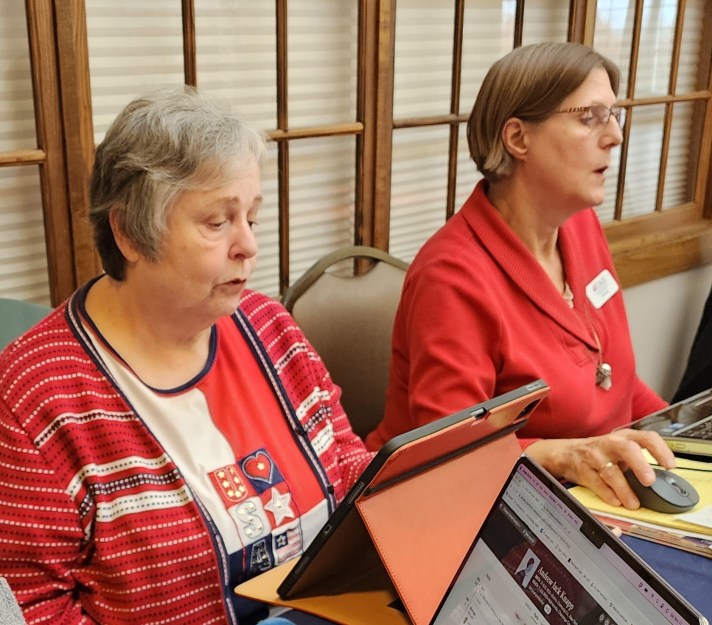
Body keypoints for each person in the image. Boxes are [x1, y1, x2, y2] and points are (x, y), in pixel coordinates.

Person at [0, 87, 374, 625]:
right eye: (218, 222)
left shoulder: (271, 329)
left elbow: (349, 469)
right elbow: (31, 608)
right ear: (129, 233)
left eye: (251, 217)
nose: (248, 245)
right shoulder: (36, 394)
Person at [366, 42, 676, 509]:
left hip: (585, 496)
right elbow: (451, 459)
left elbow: (619, 382)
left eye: (614, 115)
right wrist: (563, 456)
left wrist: (681, 437)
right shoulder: (452, 276)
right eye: (591, 117)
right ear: (518, 138)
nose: (614, 136)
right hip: (466, 514)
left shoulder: (581, 228)